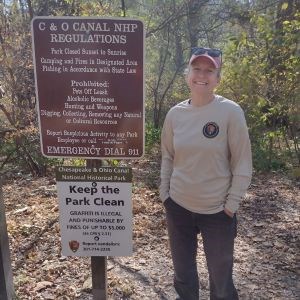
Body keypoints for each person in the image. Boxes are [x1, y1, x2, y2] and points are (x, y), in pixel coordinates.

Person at [159, 47, 252, 300]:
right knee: (183, 277)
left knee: (221, 283)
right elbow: (168, 156)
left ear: (218, 78)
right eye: (196, 69)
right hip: (178, 207)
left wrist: (230, 206)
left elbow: (242, 163)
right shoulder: (175, 114)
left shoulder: (230, 112)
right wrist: (165, 194)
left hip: (217, 212)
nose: (202, 75)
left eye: (209, 70)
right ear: (187, 74)